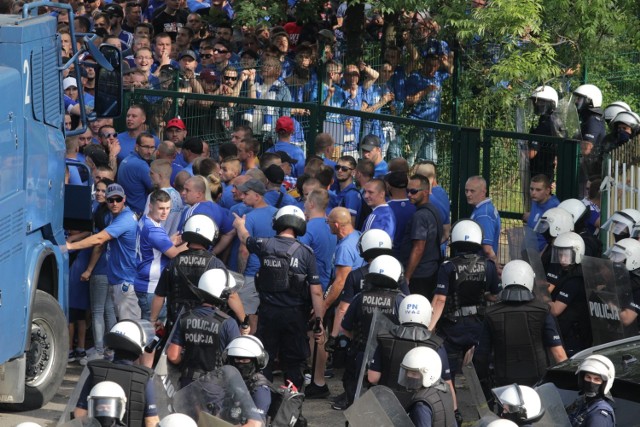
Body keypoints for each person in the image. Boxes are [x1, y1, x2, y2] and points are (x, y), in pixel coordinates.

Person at [233, 205, 325, 390]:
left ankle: (263, 401)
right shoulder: (306, 253)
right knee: (293, 364)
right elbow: (316, 291)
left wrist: (240, 224)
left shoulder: (264, 244)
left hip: (268, 314)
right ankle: (291, 406)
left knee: (264, 358)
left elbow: (245, 238)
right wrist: (319, 321)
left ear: (278, 222)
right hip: (295, 316)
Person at [475, 260, 567, 389]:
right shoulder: (543, 311)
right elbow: (559, 354)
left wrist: (484, 383)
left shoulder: (491, 313)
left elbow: (481, 355)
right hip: (538, 381)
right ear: (530, 280)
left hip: (503, 381)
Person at [430, 219, 499, 382]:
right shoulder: (488, 266)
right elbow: (494, 295)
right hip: (478, 324)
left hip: (453, 326)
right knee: (480, 370)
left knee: (448, 372)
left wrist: (429, 327)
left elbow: (440, 299)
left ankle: (453, 405)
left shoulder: (447, 266)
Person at [368, 294, 457, 416]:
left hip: (387, 407)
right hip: (421, 409)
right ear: (427, 315)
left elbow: (373, 378)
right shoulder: (436, 344)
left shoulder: (384, 339)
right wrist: (454, 412)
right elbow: (447, 385)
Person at [339, 255, 405, 409]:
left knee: (356, 402)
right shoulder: (400, 301)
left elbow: (345, 328)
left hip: (361, 355)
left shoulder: (359, 297)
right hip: (390, 359)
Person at [67, 184, 140, 321]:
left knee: (129, 327)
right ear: (106, 201)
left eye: (118, 199)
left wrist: (71, 246)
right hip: (119, 278)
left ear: (124, 199)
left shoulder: (125, 218)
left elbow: (100, 238)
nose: (114, 203)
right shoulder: (115, 217)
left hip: (126, 281)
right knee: (114, 317)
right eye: (111, 200)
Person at [74, 320, 159, 427]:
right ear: (138, 348)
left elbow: (79, 414)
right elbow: (151, 421)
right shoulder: (144, 378)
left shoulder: (96, 371)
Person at [167, 268, 241, 388]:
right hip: (216, 386)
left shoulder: (185, 318)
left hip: (187, 385)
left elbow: (173, 355)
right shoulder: (229, 323)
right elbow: (237, 359)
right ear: (223, 294)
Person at [134, 190, 186, 323]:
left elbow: (155, 247)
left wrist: (168, 242)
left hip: (145, 283)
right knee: (154, 331)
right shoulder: (154, 230)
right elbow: (175, 255)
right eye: (161, 208)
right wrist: (192, 244)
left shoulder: (145, 220)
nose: (165, 212)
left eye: (168, 208)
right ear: (150, 206)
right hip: (151, 287)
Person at [236, 178, 277, 333]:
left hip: (253, 274)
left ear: (257, 196)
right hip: (274, 273)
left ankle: (248, 353)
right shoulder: (277, 213)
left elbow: (244, 251)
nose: (242, 196)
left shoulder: (249, 217)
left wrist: (240, 276)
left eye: (246, 193)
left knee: (247, 319)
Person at [398, 174, 443, 298]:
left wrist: (407, 277)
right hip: (430, 270)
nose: (409, 195)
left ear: (425, 192)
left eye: (413, 192)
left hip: (419, 275)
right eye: (407, 191)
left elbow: (418, 248)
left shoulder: (420, 216)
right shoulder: (433, 210)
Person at [548, 232, 592, 356]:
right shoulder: (566, 272)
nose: (562, 259)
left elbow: (556, 309)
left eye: (566, 255)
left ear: (577, 253)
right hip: (567, 331)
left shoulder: (576, 279)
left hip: (574, 335)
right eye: (560, 254)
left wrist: (542, 298)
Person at [398, 346, 456, 427]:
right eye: (407, 372)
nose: (408, 376)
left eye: (414, 373)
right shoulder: (444, 389)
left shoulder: (421, 406)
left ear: (429, 373)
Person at [222, 335, 272, 419]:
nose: (240, 363)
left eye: (245, 360)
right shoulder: (229, 382)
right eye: (237, 360)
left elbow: (255, 423)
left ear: (257, 362)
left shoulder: (259, 390)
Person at [528, 85, 566, 182]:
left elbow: (531, 153)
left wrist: (522, 153)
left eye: (541, 101)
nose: (537, 104)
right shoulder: (552, 120)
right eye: (536, 101)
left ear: (551, 104)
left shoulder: (545, 125)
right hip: (546, 170)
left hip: (539, 172)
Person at [567, 355, 616, 427]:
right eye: (588, 377)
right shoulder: (581, 403)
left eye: (597, 379)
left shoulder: (598, 417)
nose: (591, 382)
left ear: (604, 384)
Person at [465, 175, 500, 262]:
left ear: (483, 192)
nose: (468, 194)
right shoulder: (486, 207)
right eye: (466, 190)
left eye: (472, 191)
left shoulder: (483, 214)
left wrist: (495, 266)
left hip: (481, 266)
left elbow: (487, 249)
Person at [524, 174, 560, 250]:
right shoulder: (536, 200)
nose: (533, 193)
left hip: (541, 255)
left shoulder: (554, 208)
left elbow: (554, 238)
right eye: (531, 189)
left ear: (547, 191)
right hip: (529, 250)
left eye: (538, 190)